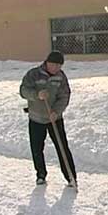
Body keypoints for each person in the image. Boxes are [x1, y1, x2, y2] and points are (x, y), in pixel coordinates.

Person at [20, 51, 77, 188]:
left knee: (62, 146)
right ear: (47, 63)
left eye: (59, 66)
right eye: (54, 65)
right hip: (36, 118)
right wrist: (36, 94)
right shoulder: (34, 74)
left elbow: (64, 96)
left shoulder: (61, 77)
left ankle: (71, 176)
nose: (56, 68)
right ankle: (40, 174)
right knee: (37, 148)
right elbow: (23, 91)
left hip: (54, 118)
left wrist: (56, 112)